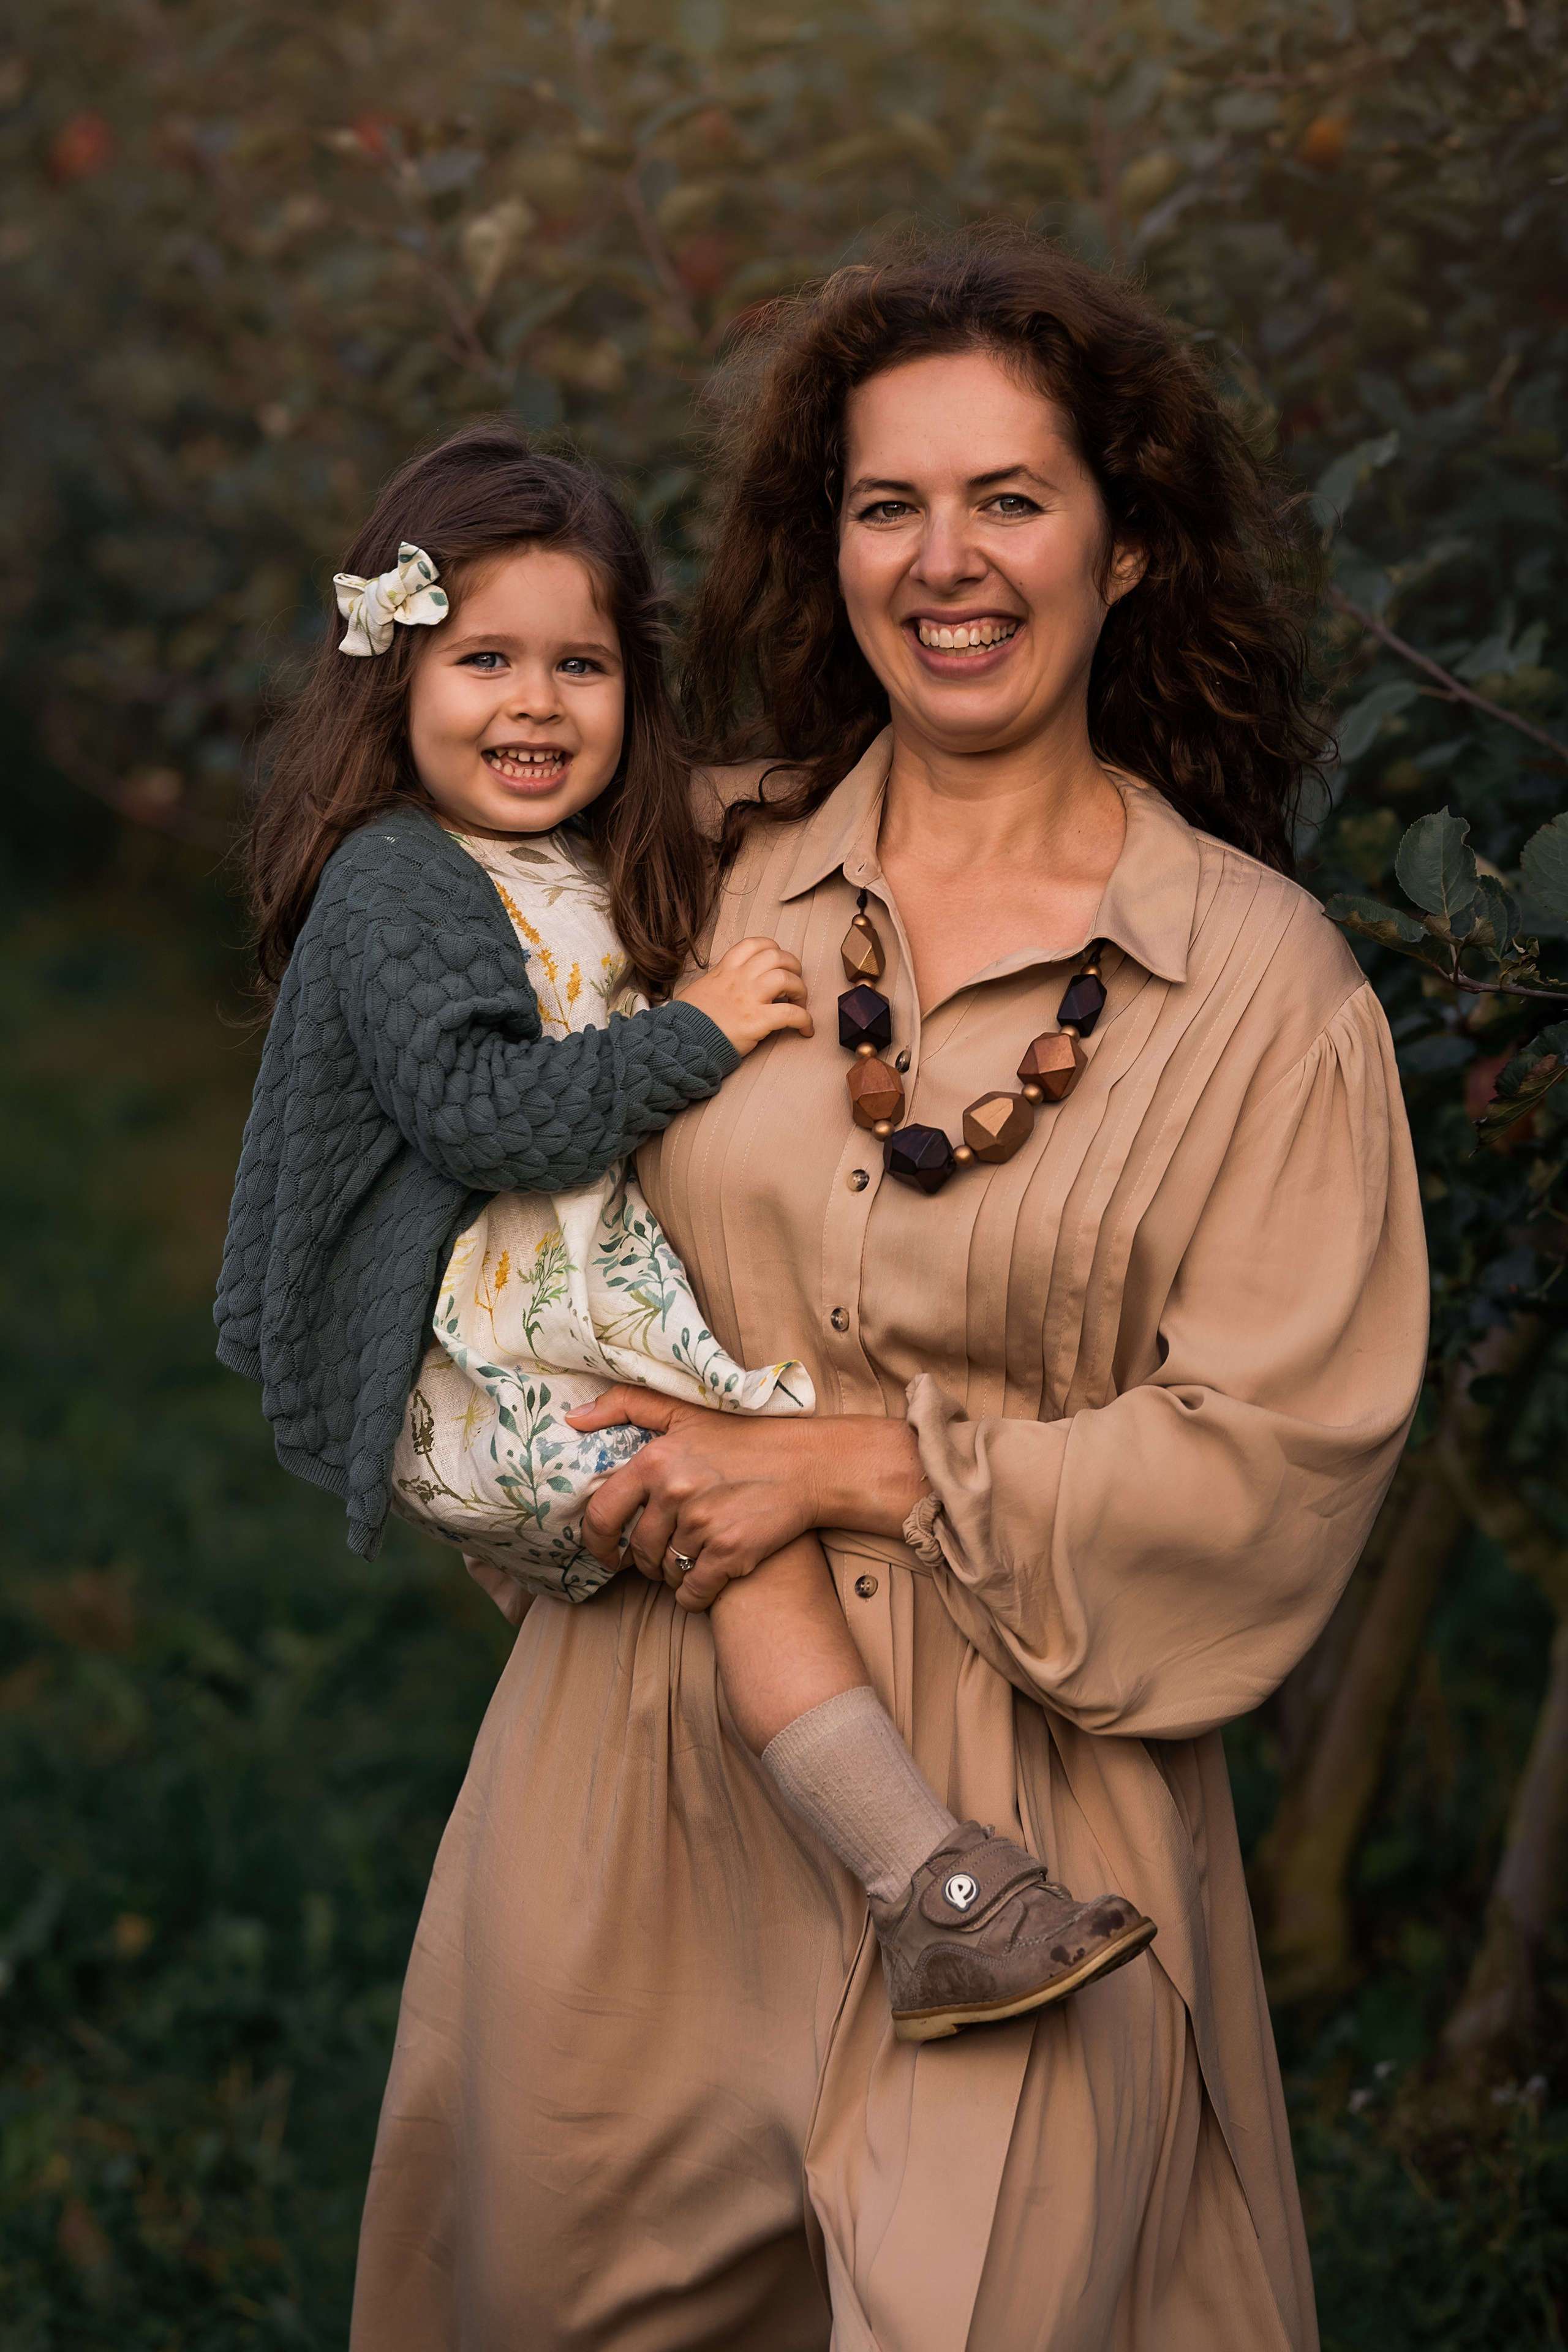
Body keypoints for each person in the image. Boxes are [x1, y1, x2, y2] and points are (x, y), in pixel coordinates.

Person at [349, 234, 1426, 2351]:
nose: (947, 561)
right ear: (828, 545)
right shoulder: (677, 872)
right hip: (632, 1762)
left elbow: (1277, 1463)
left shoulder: (1261, 990)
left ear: (1125, 546)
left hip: (1026, 1813)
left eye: (1010, 498)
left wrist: (839, 1466)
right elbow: (461, 1176)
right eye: (887, 503)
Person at [214, 419, 1150, 2063]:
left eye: (579, 666)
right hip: (477, 1363)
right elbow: (487, 1119)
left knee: (687, 1569)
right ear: (394, 678)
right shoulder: (394, 885)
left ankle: (715, 1896)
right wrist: (700, 1034)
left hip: (554, 1319)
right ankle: (928, 1891)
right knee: (743, 1520)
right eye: (485, 659)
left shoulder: (562, 856)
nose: (534, 705)